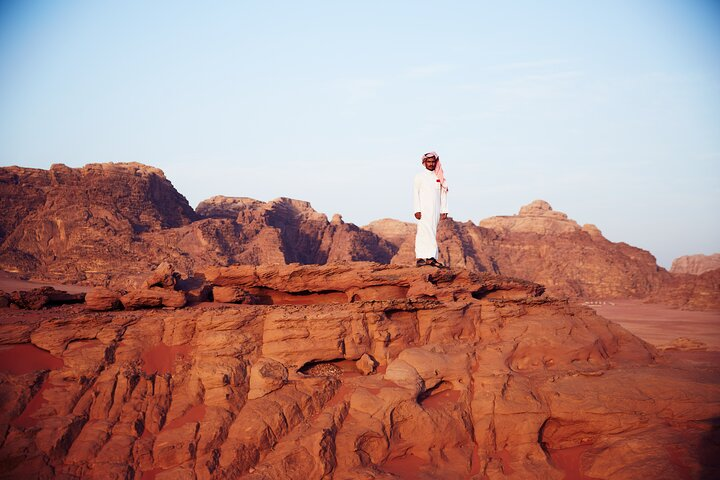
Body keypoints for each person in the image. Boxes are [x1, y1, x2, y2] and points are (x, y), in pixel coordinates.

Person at [413, 151, 448, 267]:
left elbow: (443, 194)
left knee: (432, 232)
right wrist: (417, 210)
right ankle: (420, 258)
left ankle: (431, 258)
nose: (431, 164)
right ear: (424, 163)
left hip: (435, 210)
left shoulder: (439, 177)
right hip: (423, 210)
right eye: (429, 162)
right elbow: (415, 194)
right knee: (422, 232)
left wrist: (444, 210)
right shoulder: (419, 177)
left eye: (433, 162)